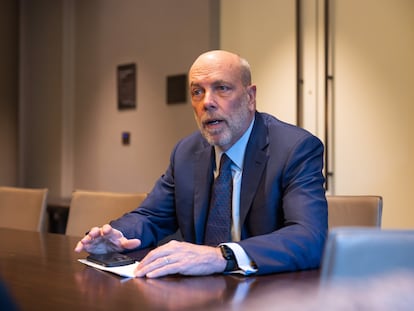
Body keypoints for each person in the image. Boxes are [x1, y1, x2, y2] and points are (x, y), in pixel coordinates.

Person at [75, 50, 328, 278]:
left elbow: (309, 238)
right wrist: (117, 236)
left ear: (250, 97)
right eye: (197, 92)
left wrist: (222, 256)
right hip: (198, 294)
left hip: (268, 295)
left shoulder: (295, 148)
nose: (207, 102)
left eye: (222, 88)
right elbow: (152, 215)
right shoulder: (186, 152)